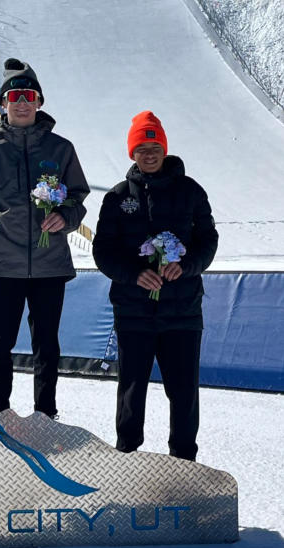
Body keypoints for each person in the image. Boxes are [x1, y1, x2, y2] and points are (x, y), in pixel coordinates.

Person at [0, 58, 89, 419]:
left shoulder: (60, 149)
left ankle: (45, 414)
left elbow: (77, 196)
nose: (21, 103)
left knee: (47, 344)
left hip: (49, 265)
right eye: (14, 97)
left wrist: (65, 217)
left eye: (28, 96)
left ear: (39, 102)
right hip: (2, 265)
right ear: (4, 104)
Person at [93, 110, 218, 461]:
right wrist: (134, 275)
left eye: (155, 148)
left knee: (184, 392)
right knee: (131, 393)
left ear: (165, 150)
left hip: (183, 312)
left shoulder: (191, 192)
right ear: (132, 153)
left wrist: (186, 266)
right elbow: (103, 252)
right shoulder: (117, 197)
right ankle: (128, 457)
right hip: (134, 311)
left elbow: (208, 241)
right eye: (142, 148)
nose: (149, 155)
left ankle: (184, 462)